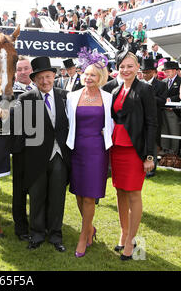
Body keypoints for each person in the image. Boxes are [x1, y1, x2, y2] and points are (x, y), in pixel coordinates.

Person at [13, 56, 70, 252]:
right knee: (37, 197)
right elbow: (18, 129)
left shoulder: (65, 96)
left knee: (57, 198)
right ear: (34, 80)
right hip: (35, 158)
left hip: (59, 156)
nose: (44, 81)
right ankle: (36, 234)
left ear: (54, 76)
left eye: (48, 76)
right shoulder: (26, 99)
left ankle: (55, 235)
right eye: (40, 78)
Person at [110, 49, 157, 261]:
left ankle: (131, 240)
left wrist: (149, 156)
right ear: (118, 69)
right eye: (122, 66)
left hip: (135, 150)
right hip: (117, 148)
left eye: (130, 66)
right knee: (120, 192)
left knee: (133, 193)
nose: (126, 70)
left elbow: (151, 123)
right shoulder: (115, 89)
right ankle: (123, 232)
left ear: (138, 68)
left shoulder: (146, 89)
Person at [66, 52, 113, 258]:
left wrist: (108, 130)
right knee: (78, 193)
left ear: (101, 77)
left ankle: (83, 237)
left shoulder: (108, 98)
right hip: (76, 150)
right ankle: (90, 229)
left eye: (93, 75)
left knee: (89, 197)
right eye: (86, 74)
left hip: (97, 151)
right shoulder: (72, 96)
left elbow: (117, 120)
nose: (88, 78)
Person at [11, 56, 35, 242]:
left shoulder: (40, 89)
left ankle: (37, 223)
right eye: (19, 69)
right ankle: (21, 227)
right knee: (19, 190)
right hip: (19, 147)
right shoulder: (8, 92)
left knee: (38, 188)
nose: (23, 72)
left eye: (26, 68)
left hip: (40, 148)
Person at [140, 59, 167, 177]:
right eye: (143, 72)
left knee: (154, 143)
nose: (145, 74)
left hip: (155, 119)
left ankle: (152, 168)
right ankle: (141, 166)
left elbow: (162, 101)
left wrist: (149, 96)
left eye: (147, 72)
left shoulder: (161, 85)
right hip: (140, 119)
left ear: (153, 72)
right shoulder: (138, 84)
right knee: (141, 142)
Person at [161, 61, 181, 155]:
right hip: (163, 110)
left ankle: (174, 152)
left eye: (168, 71)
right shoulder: (163, 81)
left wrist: (170, 100)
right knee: (165, 130)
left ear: (174, 71)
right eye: (165, 71)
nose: (166, 73)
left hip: (175, 110)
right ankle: (165, 150)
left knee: (174, 131)